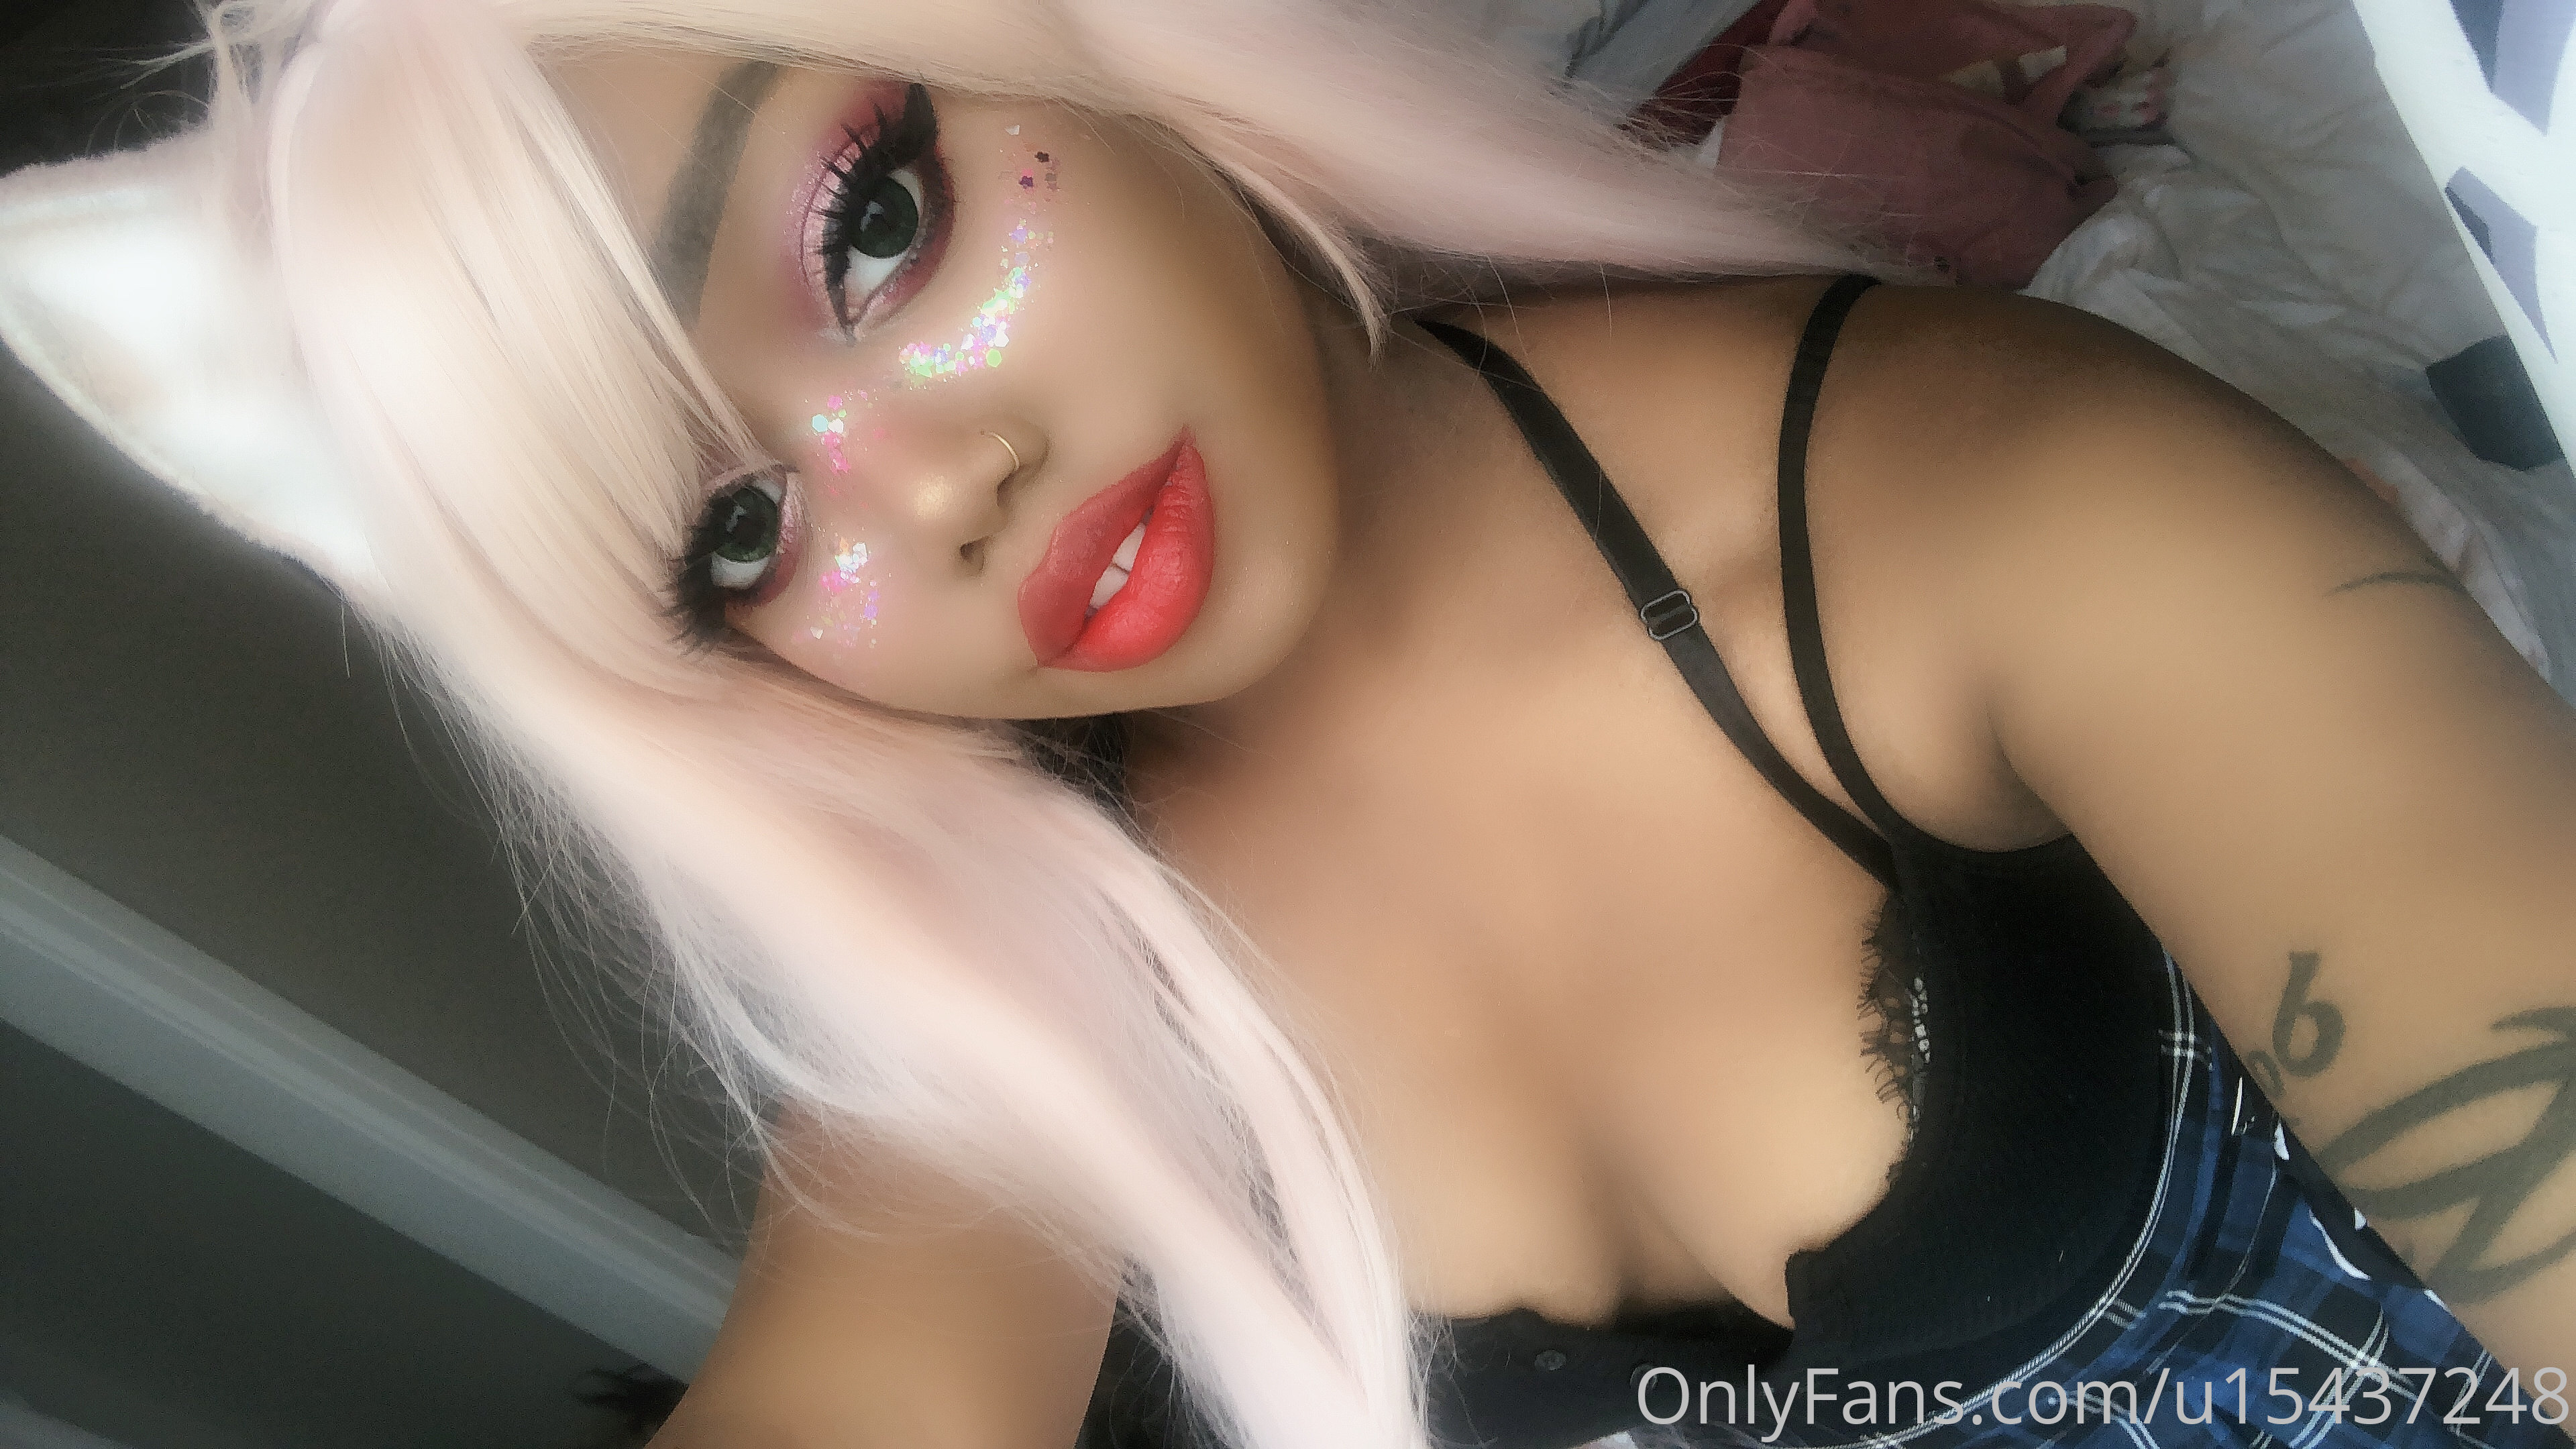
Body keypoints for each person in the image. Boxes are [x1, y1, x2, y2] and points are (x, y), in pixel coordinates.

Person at [1, 1, 2571, 1446]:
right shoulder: (1024, 983)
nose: (940, 491)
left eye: (873, 229)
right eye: (743, 534)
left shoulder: (1995, 502)